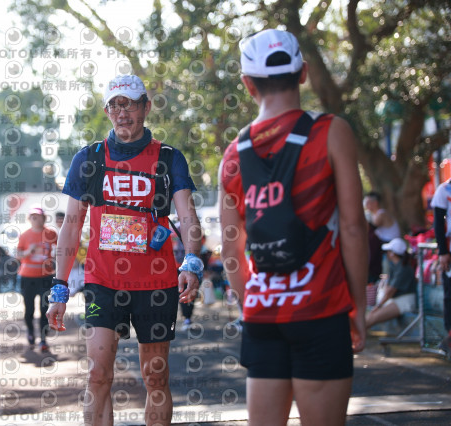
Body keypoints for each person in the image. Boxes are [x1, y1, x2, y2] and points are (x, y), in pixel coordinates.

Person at [219, 29, 367, 425]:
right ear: (303, 73)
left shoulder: (233, 155)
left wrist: (251, 304)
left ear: (247, 84)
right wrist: (358, 307)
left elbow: (231, 249)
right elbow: (354, 228)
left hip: (262, 314)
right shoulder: (331, 132)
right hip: (321, 307)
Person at [47, 74, 202, 426]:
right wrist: (59, 286)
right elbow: (71, 225)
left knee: (155, 376)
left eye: (129, 103)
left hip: (156, 284)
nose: (122, 112)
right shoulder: (88, 159)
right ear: (107, 111)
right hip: (103, 281)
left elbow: (187, 215)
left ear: (145, 107)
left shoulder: (169, 158)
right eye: (114, 105)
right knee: (97, 373)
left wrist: (192, 261)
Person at [17, 207, 57, 352]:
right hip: (27, 277)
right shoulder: (24, 235)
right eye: (32, 216)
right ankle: (30, 332)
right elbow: (18, 254)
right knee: (29, 309)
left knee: (44, 309)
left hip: (46, 277)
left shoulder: (51, 233)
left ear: (43, 218)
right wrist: (29, 251)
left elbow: (60, 250)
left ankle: (43, 339)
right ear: (29, 219)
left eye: (37, 216)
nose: (35, 218)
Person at [366, 238, 416, 328]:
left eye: (388, 251)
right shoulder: (396, 265)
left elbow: (391, 291)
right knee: (370, 317)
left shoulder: (403, 268)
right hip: (396, 299)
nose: (387, 254)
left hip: (404, 301)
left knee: (372, 317)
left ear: (393, 253)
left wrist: (378, 306)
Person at [432, 178, 451, 353]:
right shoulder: (444, 190)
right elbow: (438, 222)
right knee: (449, 295)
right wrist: (443, 251)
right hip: (450, 251)